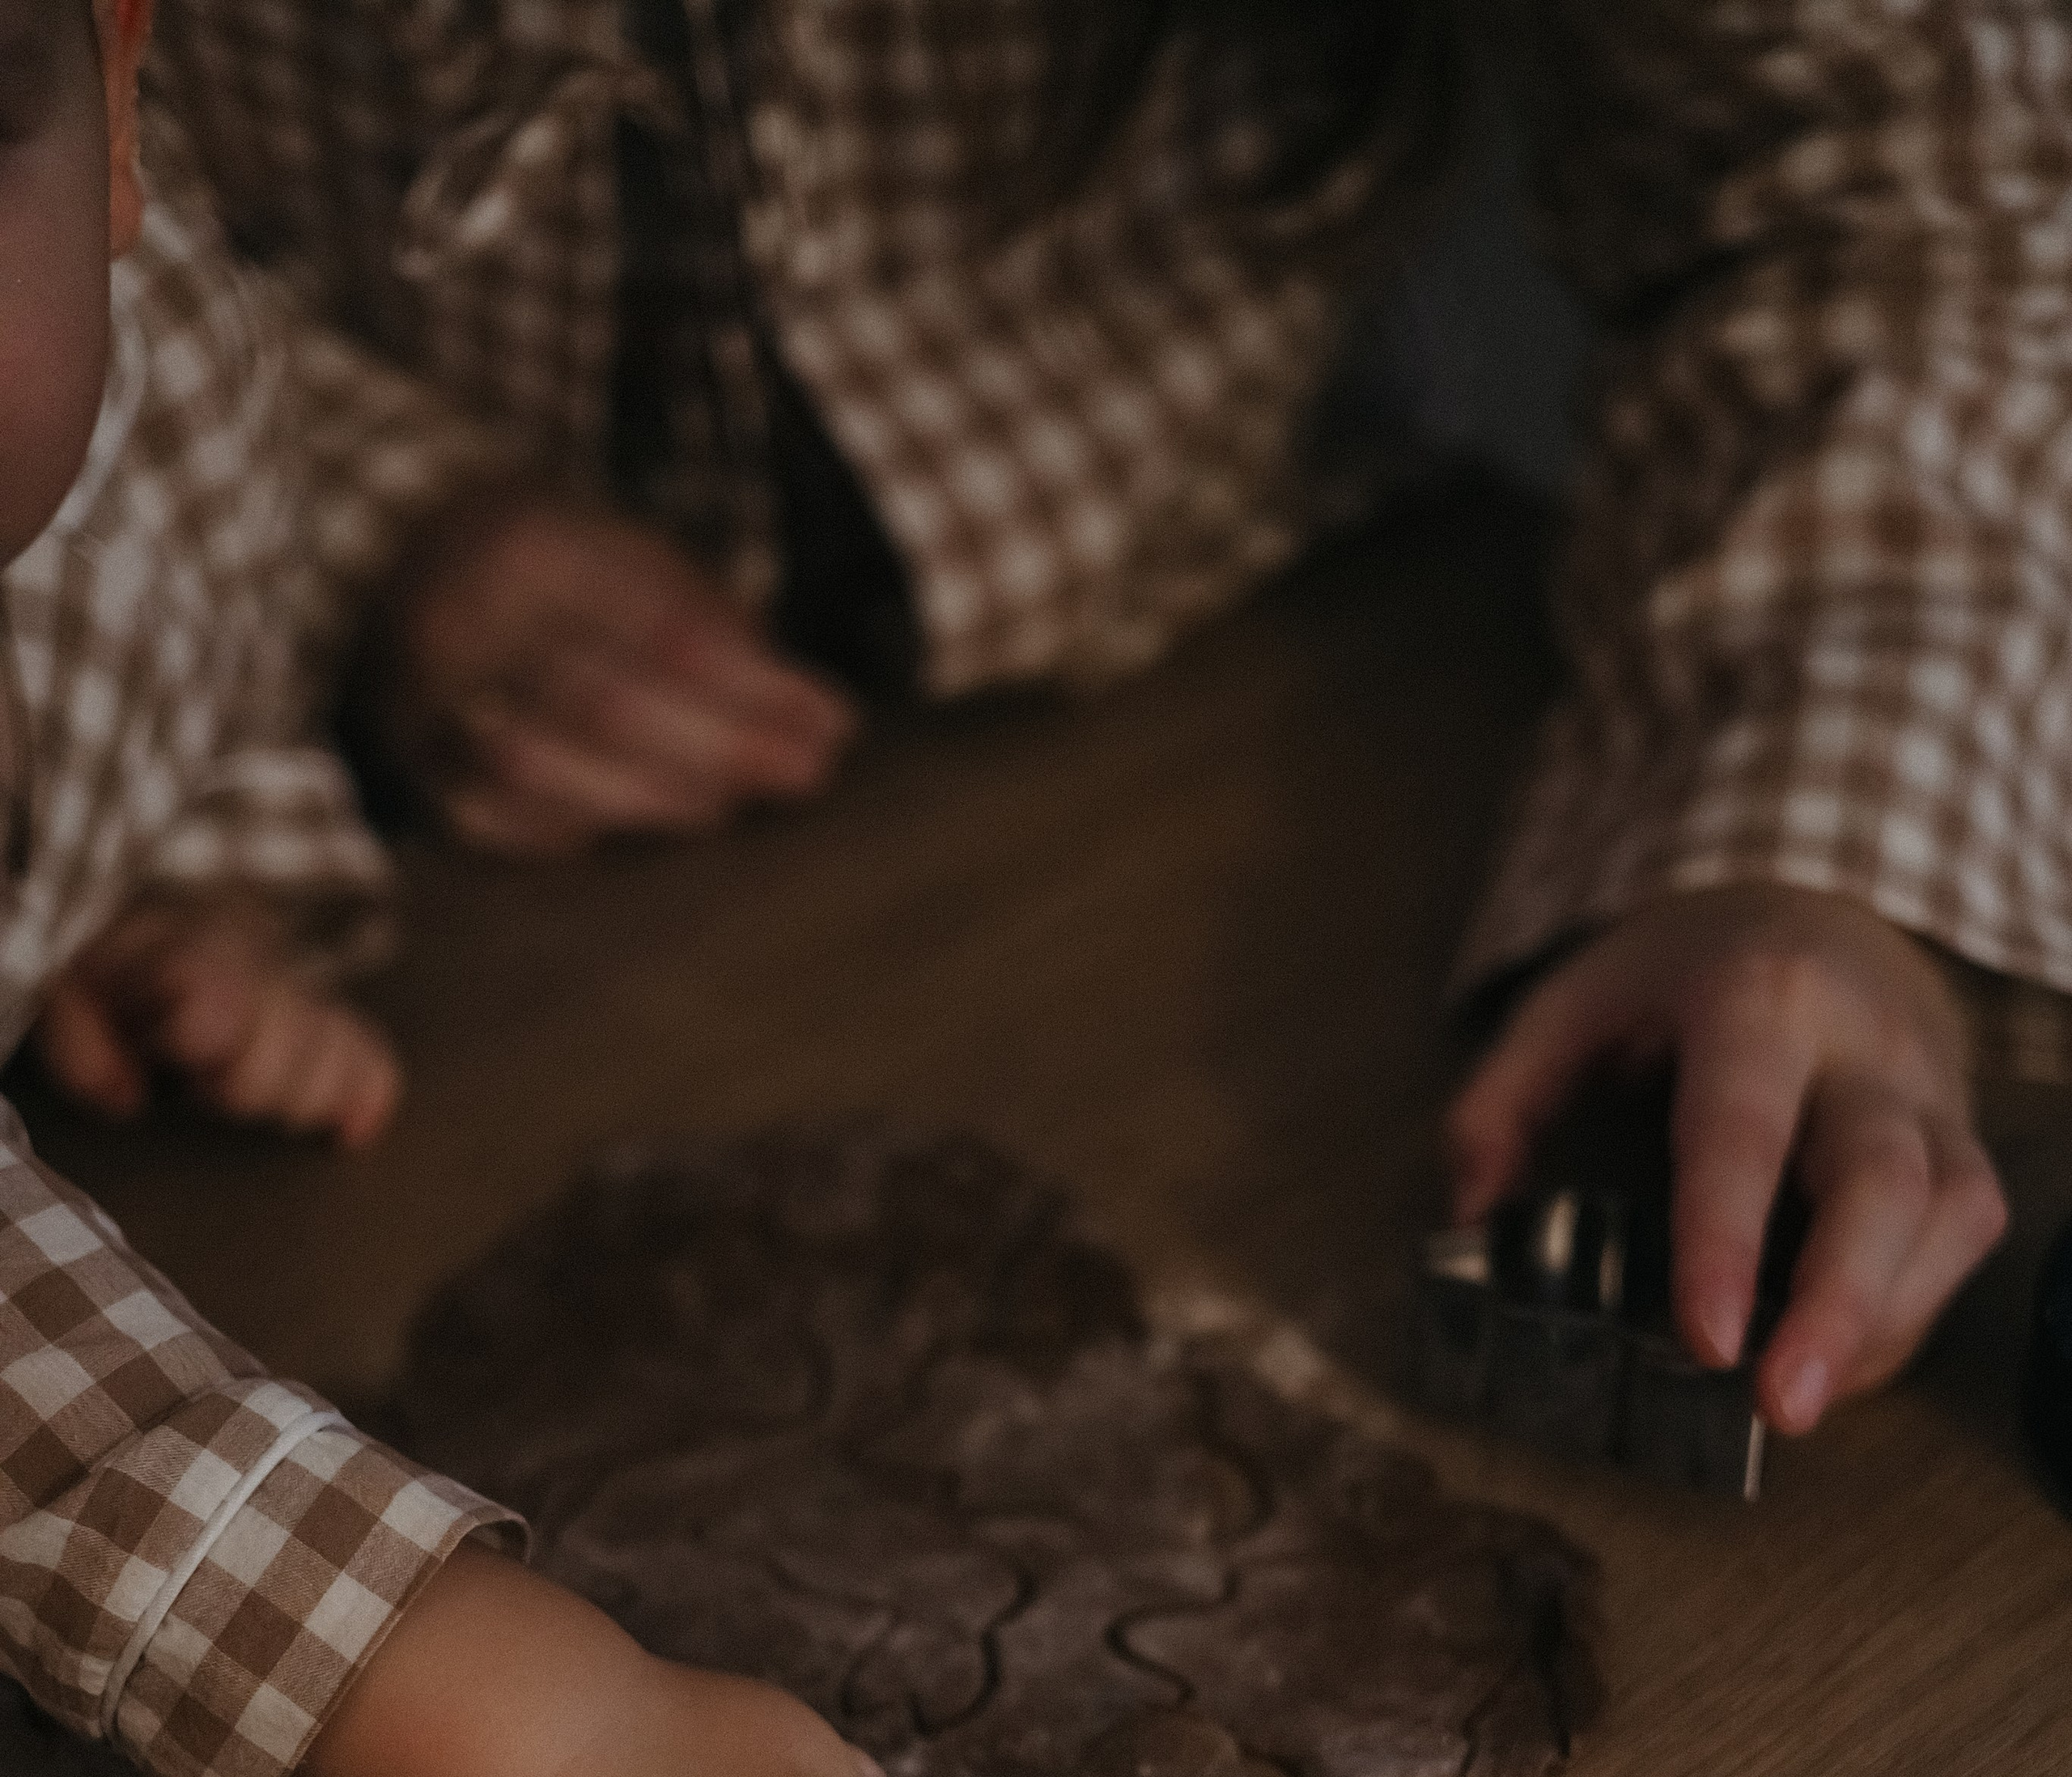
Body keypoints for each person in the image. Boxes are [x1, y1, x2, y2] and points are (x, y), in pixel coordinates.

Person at [149, 0, 2068, 1437]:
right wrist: (349, 504)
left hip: (1274, 630)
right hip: (247, 778)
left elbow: (1891, 172)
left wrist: (1791, 829)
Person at [0, 0, 1005, 1777]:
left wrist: (168, 884)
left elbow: (180, 596)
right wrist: (553, 1735)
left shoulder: (140, 341)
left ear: (107, 110)